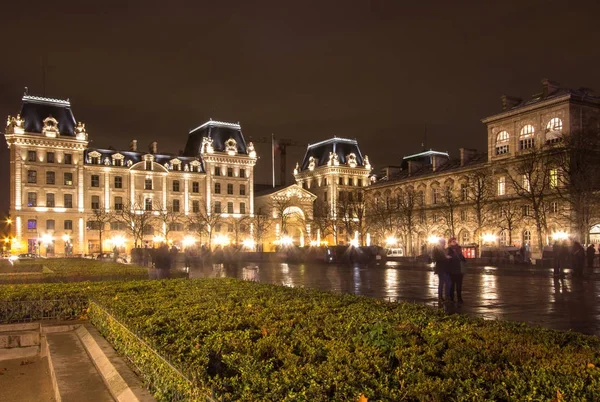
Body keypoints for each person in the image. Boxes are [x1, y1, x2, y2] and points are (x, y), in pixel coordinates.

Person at [447, 237, 466, 303]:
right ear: (450, 242)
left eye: (455, 241)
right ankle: (451, 298)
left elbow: (462, 258)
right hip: (452, 271)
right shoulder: (448, 249)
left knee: (459, 286)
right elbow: (449, 259)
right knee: (452, 286)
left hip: (459, 270)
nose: (455, 242)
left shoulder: (459, 248)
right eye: (453, 241)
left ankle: (459, 298)